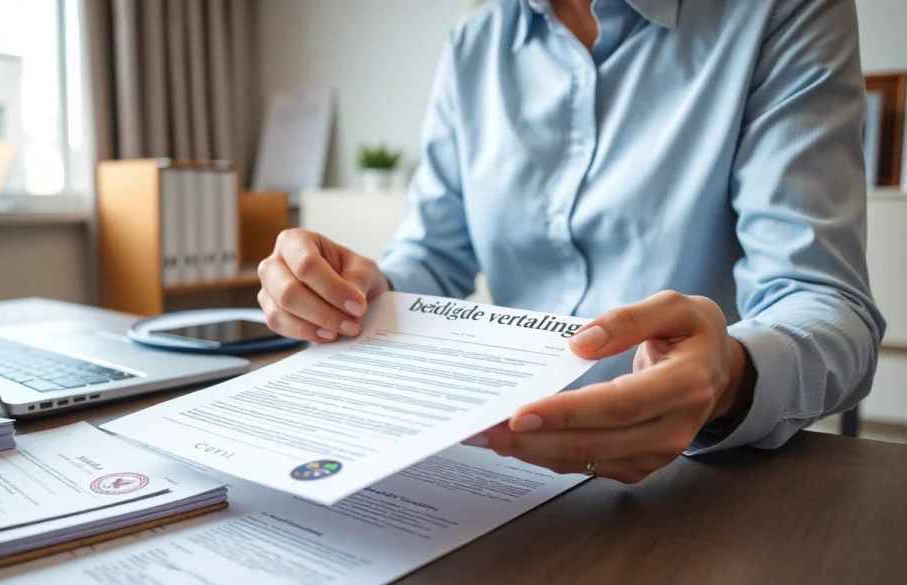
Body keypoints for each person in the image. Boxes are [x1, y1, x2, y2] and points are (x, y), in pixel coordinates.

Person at [256, 0, 885, 483]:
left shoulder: (781, 12)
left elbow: (827, 303)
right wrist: (366, 289)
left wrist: (728, 377)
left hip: (691, 480)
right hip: (495, 458)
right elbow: (434, 257)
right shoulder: (476, 43)